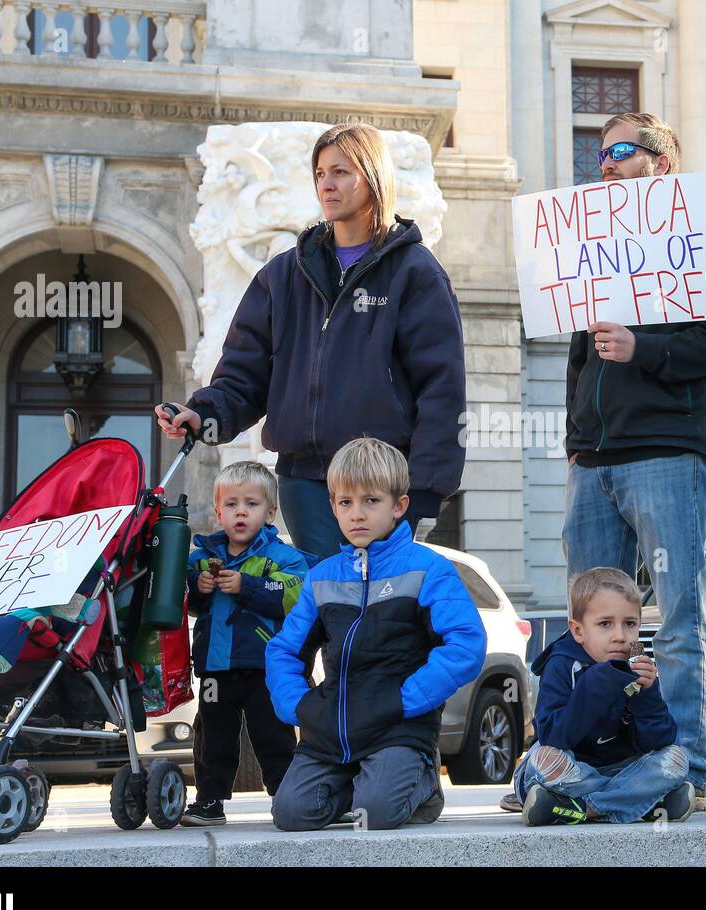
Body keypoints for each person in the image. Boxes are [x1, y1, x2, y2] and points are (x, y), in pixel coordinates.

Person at [155, 123, 467, 561]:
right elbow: (244, 375)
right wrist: (203, 415)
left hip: (379, 483)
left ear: (373, 176)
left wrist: (425, 490)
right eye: (320, 173)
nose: (326, 183)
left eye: (340, 172)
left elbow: (442, 387)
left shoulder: (416, 273)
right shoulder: (283, 275)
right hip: (303, 480)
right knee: (323, 609)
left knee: (371, 613)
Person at [562, 111, 706, 809]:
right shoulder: (590, 248)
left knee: (676, 618)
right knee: (592, 623)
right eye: (600, 153)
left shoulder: (701, 240)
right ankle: (588, 763)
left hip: (668, 451)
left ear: (663, 165)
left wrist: (646, 350)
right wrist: (578, 440)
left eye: (623, 151)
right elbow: (581, 360)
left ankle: (688, 771)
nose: (605, 164)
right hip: (593, 459)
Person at [266, 438, 486, 831]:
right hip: (332, 729)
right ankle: (364, 783)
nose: (357, 514)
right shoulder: (322, 577)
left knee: (377, 815)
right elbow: (283, 650)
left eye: (371, 501)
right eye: (346, 502)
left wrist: (405, 700)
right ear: (332, 507)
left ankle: (421, 783)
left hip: (397, 727)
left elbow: (466, 644)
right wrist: (298, 707)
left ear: (398, 506)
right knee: (290, 814)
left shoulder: (427, 569)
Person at [180, 461, 310, 826]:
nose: (241, 512)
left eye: (251, 504)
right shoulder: (201, 557)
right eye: (232, 504)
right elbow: (182, 603)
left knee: (274, 735)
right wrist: (198, 590)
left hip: (264, 665)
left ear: (270, 512)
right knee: (212, 738)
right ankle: (209, 800)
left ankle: (286, 796)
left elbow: (296, 595)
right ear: (219, 512)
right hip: (215, 666)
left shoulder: (283, 557)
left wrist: (247, 586)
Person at [515, 567, 694, 826]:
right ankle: (641, 801)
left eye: (630, 624)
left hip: (620, 768)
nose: (620, 636)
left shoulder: (637, 662)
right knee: (544, 760)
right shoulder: (562, 664)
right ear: (578, 631)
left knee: (676, 759)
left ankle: (581, 808)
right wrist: (595, 684)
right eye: (605, 624)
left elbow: (659, 740)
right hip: (573, 769)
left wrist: (648, 693)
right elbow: (553, 736)